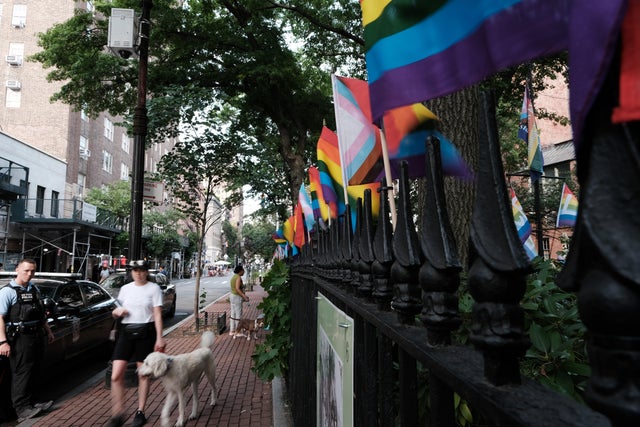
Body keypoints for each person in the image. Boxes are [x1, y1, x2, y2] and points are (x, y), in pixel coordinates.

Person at [107, 260, 166, 427]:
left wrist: (160, 337)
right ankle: (118, 413)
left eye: (142, 271)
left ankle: (140, 411)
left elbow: (157, 315)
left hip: (145, 332)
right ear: (131, 272)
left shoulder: (154, 289)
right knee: (116, 374)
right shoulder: (126, 289)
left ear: (147, 272)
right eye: (135, 271)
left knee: (143, 373)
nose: (138, 274)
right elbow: (116, 311)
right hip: (125, 332)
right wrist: (117, 312)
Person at [0, 259, 54, 422]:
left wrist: (48, 332)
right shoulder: (7, 292)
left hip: (36, 335)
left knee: (34, 370)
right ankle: (22, 409)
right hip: (19, 338)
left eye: (32, 271)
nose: (29, 274)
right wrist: (3, 342)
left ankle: (33, 403)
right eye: (26, 270)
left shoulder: (34, 288)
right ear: (17, 269)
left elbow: (40, 314)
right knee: (21, 373)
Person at [229, 264, 249, 337]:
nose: (244, 271)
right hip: (237, 297)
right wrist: (244, 296)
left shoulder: (233, 277)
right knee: (238, 314)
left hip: (232, 296)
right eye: (243, 270)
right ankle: (238, 331)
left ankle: (232, 330)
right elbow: (238, 289)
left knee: (233, 314)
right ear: (240, 271)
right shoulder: (238, 278)